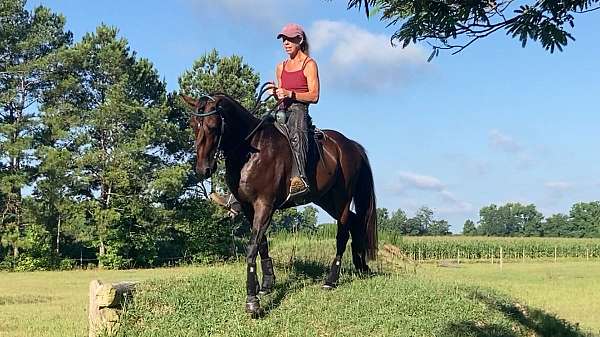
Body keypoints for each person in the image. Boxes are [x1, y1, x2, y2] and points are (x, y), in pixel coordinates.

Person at [271, 23, 320, 200]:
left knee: (298, 133)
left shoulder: (309, 64)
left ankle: (299, 178)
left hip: (299, 110)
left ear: (299, 40)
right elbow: (281, 95)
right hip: (282, 109)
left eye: (289, 39)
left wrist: (291, 93)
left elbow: (314, 96)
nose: (286, 43)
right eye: (283, 40)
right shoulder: (280, 67)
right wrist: (276, 93)